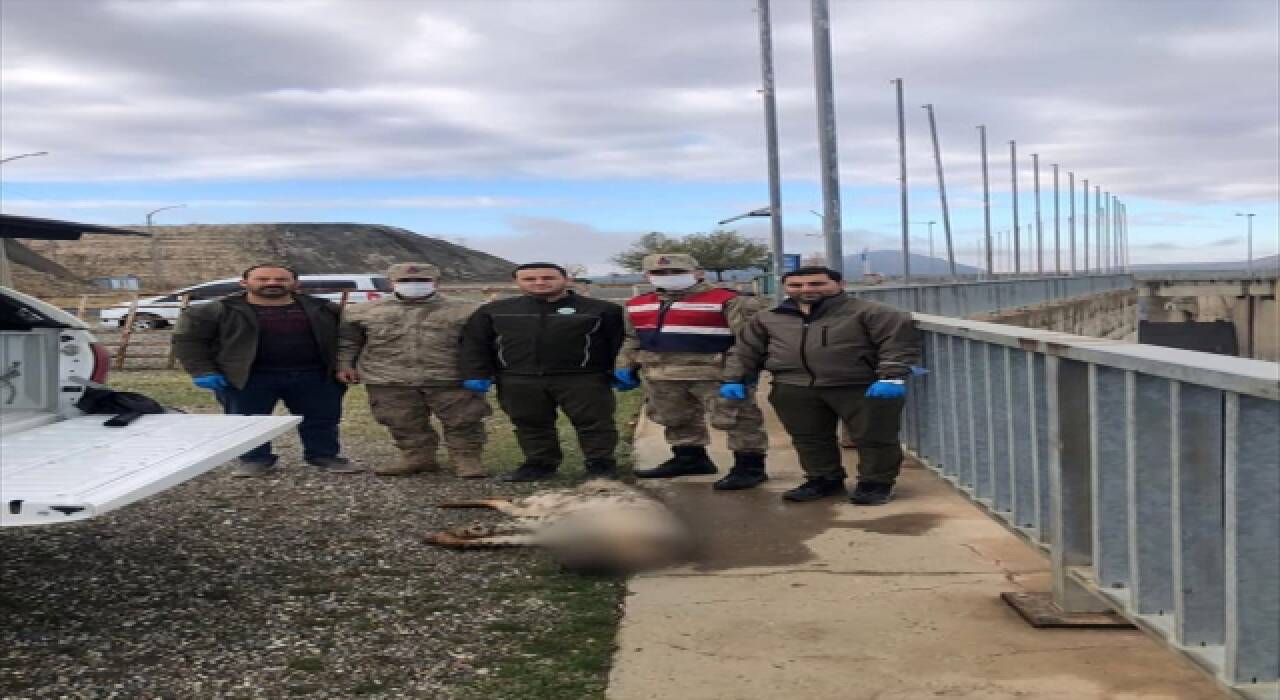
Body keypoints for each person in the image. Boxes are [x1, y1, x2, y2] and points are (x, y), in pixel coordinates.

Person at [727, 266, 921, 505]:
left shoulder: (873, 313)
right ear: (785, 288)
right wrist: (734, 378)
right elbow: (746, 350)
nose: (806, 290)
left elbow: (897, 345)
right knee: (809, 437)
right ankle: (822, 479)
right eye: (796, 286)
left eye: (817, 284)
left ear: (840, 285)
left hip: (858, 385)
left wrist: (891, 377)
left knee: (874, 436)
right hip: (793, 386)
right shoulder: (769, 317)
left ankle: (875, 483)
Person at [172, 264, 357, 477]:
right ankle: (254, 460)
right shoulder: (215, 310)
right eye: (263, 279)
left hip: (314, 375)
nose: (272, 283)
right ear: (244, 283)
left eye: (281, 279)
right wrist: (202, 371)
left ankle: (324, 455)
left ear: (295, 284)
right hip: (247, 377)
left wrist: (346, 365)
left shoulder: (323, 308)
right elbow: (187, 341)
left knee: (322, 419)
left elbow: (348, 338)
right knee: (247, 421)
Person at [458, 263, 625, 481]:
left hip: (583, 379)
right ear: (516, 282)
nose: (539, 282)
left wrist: (622, 369)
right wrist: (476, 373)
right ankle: (539, 463)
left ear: (566, 280)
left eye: (548, 277)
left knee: (595, 422)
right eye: (530, 279)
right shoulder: (495, 311)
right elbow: (475, 344)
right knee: (529, 422)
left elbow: (619, 342)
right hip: (518, 379)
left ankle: (601, 464)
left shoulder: (601, 310)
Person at [616, 253, 770, 490]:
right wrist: (625, 366)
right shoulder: (637, 304)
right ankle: (690, 459)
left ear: (698, 273)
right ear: (647, 276)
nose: (668, 277)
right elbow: (632, 338)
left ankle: (749, 467)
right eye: (659, 273)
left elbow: (747, 342)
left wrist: (737, 377)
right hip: (661, 375)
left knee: (738, 421)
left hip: (716, 375)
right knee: (675, 418)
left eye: (676, 272)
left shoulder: (731, 300)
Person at [336, 263, 490, 478]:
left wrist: (482, 372)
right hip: (388, 378)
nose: (413, 285)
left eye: (422, 281)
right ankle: (418, 458)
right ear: (392, 283)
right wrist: (345, 365)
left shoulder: (468, 310)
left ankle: (467, 459)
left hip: (449, 376)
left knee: (463, 420)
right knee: (402, 421)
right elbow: (348, 341)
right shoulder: (362, 311)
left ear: (436, 283)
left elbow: (482, 343)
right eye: (405, 281)